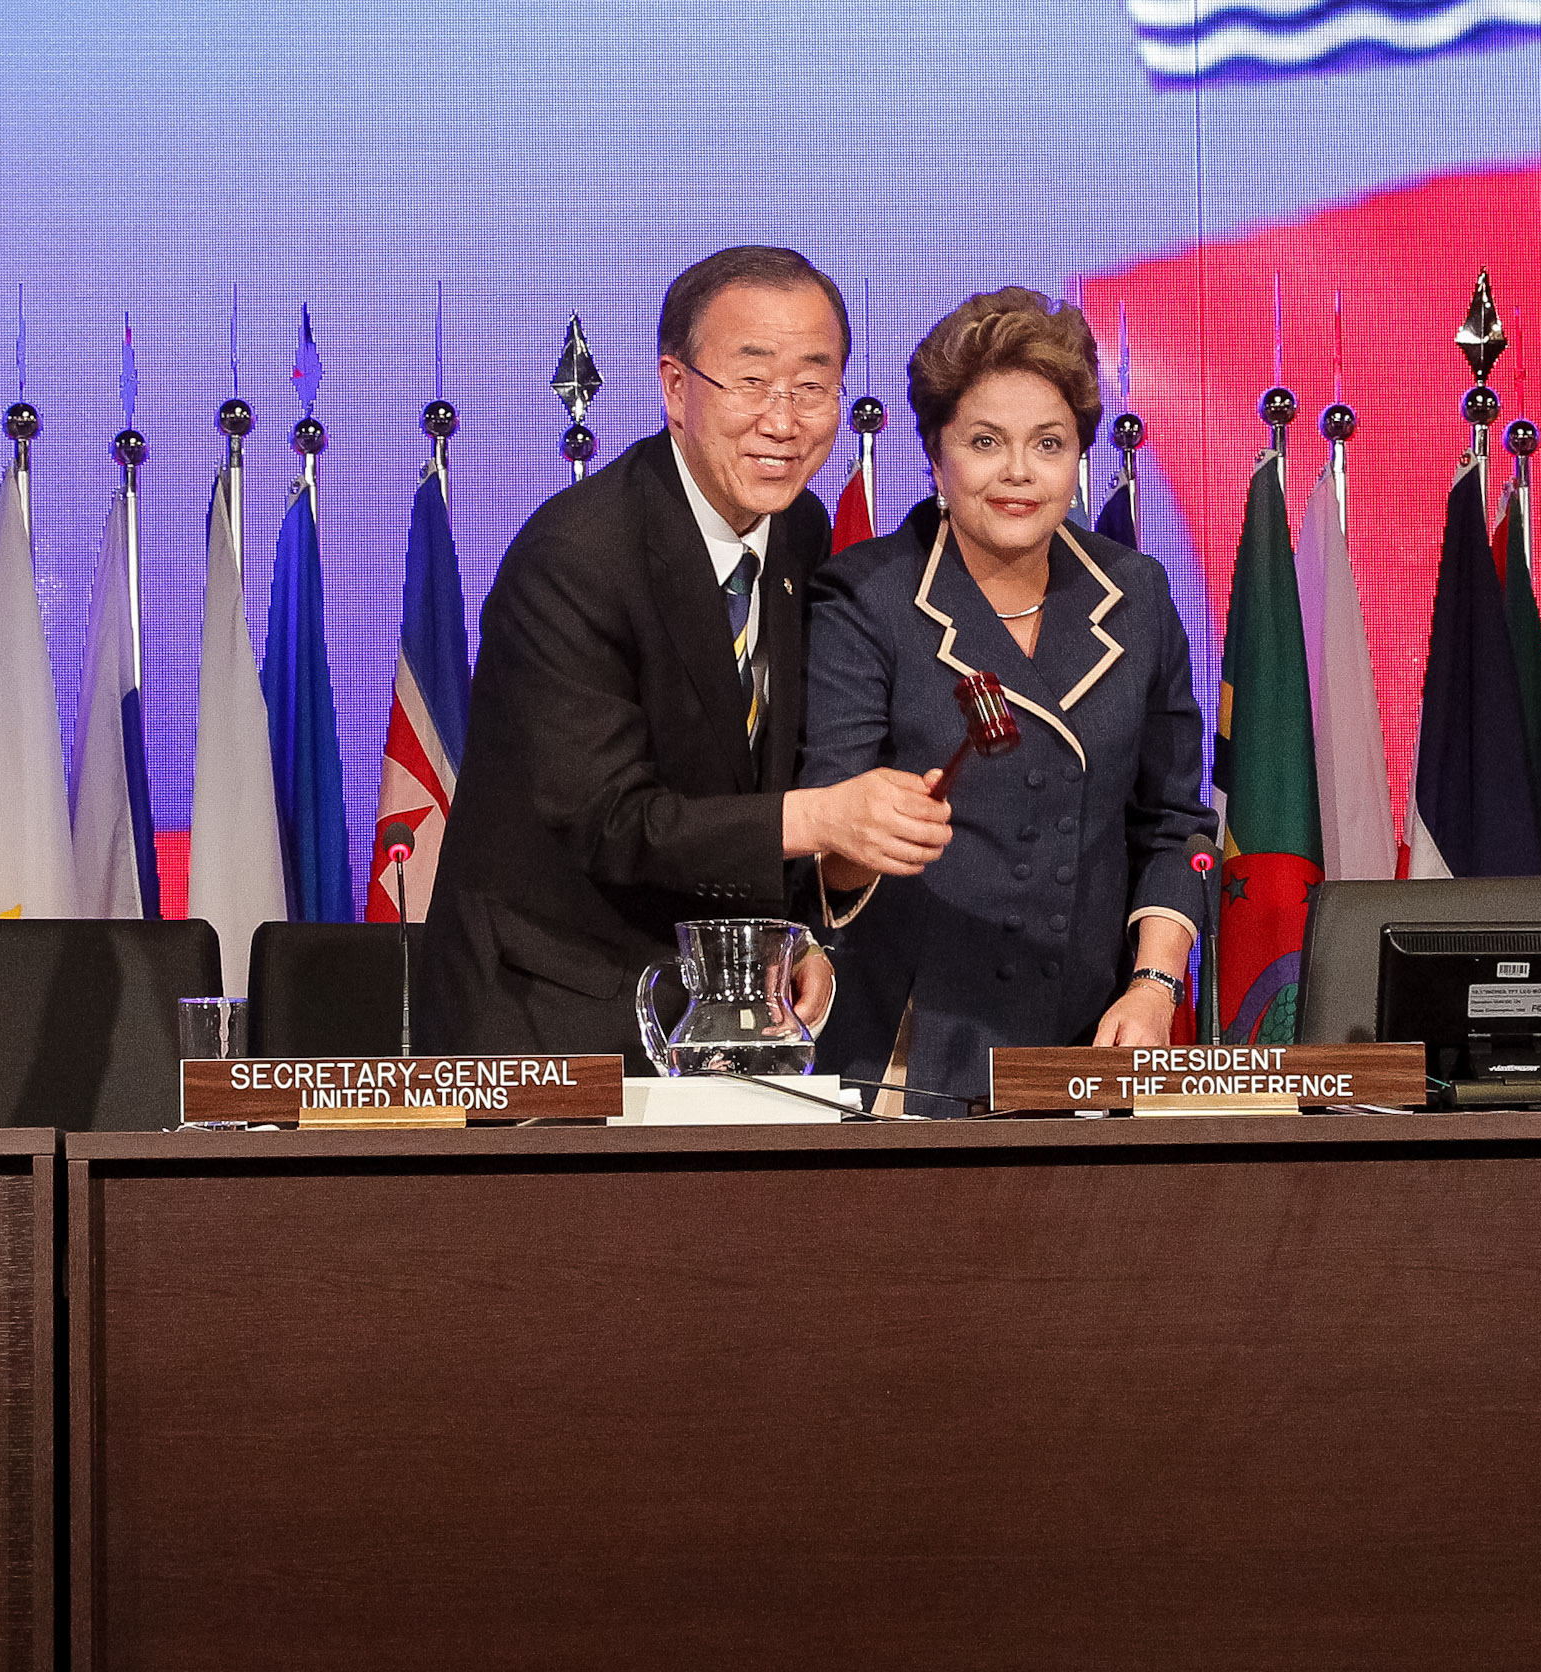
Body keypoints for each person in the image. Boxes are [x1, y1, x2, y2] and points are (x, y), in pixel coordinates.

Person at [422, 247, 954, 1064]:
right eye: (752, 382)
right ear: (676, 388)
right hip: (549, 1011)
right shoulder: (575, 556)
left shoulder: (802, 533)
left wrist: (794, 936)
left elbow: (741, 780)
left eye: (813, 386)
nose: (785, 419)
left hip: (719, 1015)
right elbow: (611, 820)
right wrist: (823, 816)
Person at [800, 287, 1216, 1114]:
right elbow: (823, 848)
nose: (1019, 473)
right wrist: (869, 830)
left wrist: (1154, 985)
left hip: (1088, 1038)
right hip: (906, 1051)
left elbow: (1174, 824)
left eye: (1049, 444)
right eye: (986, 442)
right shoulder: (866, 598)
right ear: (936, 456)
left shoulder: (1134, 593)